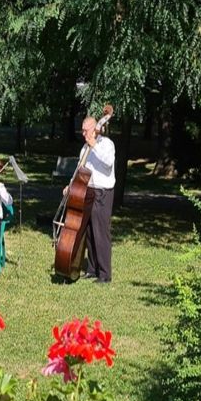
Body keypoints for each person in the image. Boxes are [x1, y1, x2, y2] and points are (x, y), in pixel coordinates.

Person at [79, 115, 115, 283]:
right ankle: (92, 268)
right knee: (89, 232)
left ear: (95, 129)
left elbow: (108, 163)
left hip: (103, 192)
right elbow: (81, 169)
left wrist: (94, 146)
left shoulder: (107, 144)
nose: (83, 134)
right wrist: (71, 185)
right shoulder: (84, 148)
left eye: (86, 131)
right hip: (89, 191)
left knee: (101, 233)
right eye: (83, 130)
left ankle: (105, 273)